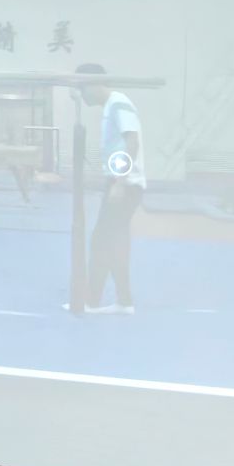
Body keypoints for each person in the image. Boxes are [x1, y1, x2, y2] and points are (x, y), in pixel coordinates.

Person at [76, 63, 144, 314]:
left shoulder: (118, 103)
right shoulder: (110, 107)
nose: (82, 95)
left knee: (101, 242)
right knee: (114, 243)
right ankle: (124, 302)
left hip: (126, 184)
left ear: (93, 83)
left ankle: (91, 302)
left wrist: (120, 182)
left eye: (82, 88)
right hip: (120, 182)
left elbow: (132, 142)